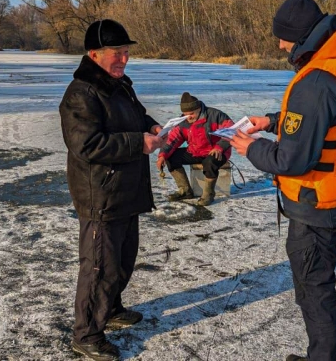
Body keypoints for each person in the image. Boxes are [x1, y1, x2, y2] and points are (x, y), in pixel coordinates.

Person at [229, 0, 336, 361]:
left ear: (302, 36)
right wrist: (273, 121)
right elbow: (326, 122)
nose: (281, 45)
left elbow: (291, 159)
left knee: (314, 290)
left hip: (316, 203)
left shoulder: (316, 81)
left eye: (284, 38)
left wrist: (251, 147)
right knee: (316, 284)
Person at [59, 19, 165, 361]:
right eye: (116, 53)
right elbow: (86, 144)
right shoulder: (81, 93)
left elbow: (136, 116)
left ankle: (112, 308)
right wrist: (138, 143)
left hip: (126, 190)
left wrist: (151, 127)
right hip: (101, 195)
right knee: (99, 268)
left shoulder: (119, 85)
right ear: (94, 54)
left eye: (126, 52)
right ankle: (87, 334)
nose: (123, 59)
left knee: (122, 259)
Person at [156, 92, 235, 206]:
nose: (189, 117)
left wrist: (219, 147)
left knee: (210, 162)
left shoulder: (216, 115)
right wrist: (162, 155)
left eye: (192, 113)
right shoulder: (182, 121)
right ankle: (185, 191)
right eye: (185, 114)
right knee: (171, 157)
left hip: (217, 151)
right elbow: (172, 140)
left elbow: (231, 131)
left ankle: (208, 194)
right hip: (195, 151)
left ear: (199, 109)